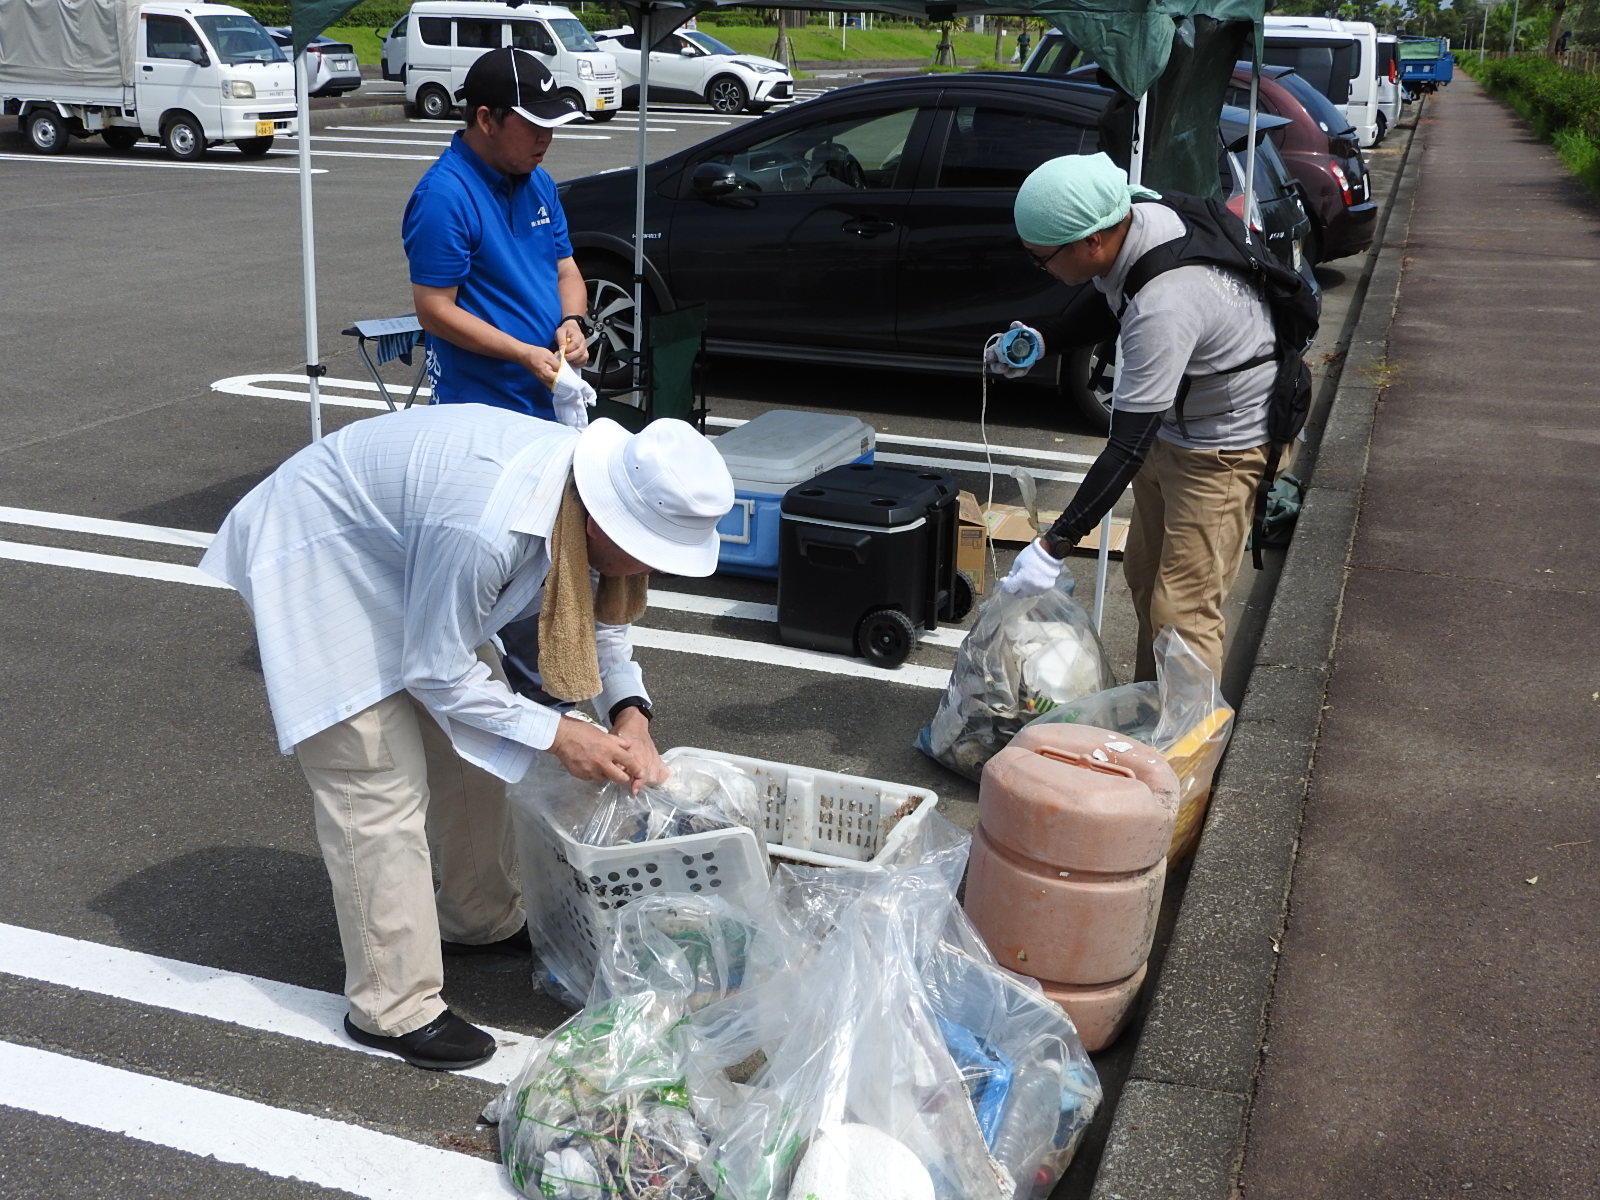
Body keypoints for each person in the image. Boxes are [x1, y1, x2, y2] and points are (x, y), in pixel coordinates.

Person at [200, 406, 735, 1071]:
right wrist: (558, 732)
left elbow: (607, 616)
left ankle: (478, 918)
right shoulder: (491, 528)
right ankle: (391, 1008)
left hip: (404, 550)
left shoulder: (584, 504)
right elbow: (435, 669)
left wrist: (630, 712)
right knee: (375, 783)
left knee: (475, 756)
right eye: (649, 551)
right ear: (605, 519)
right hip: (321, 549)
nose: (652, 568)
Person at [987, 153, 1277, 685]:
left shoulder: (1165, 306)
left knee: (1183, 615)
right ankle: (1153, 719)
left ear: (1091, 241)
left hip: (1223, 450)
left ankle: (1186, 761)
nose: (1042, 270)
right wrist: (1047, 337)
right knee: (1145, 581)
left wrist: (1055, 544)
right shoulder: (1135, 215)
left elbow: (1124, 448)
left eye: (1042, 258)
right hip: (1177, 427)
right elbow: (1111, 294)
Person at [403, 46, 594, 424]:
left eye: (552, 125)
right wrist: (522, 353)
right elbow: (435, 311)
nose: (547, 138)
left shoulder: (539, 182)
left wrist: (572, 320)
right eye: (534, 126)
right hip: (477, 409)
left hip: (543, 396)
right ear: (487, 120)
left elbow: (565, 270)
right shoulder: (443, 196)